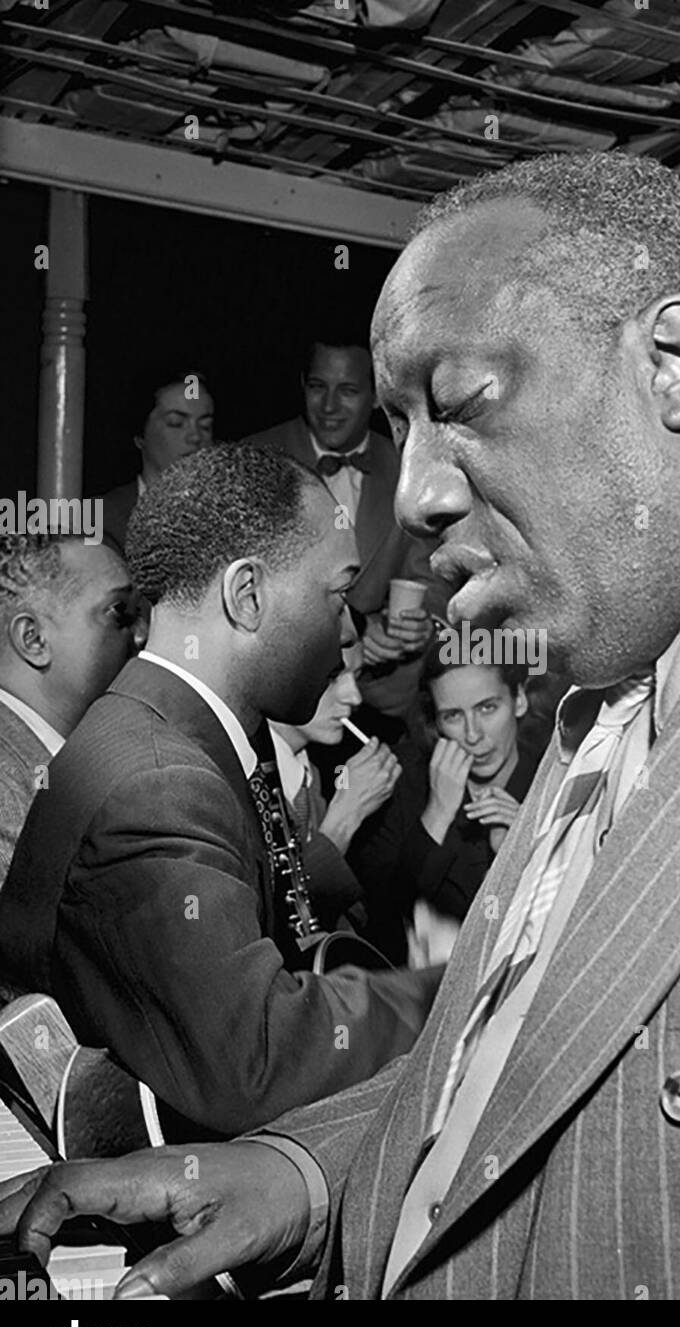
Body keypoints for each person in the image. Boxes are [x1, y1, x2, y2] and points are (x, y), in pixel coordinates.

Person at [7, 151, 680, 1303]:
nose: (414, 495)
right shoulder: (593, 708)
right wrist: (300, 1176)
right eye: (396, 425)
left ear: (670, 363)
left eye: (461, 404)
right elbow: (513, 1061)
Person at [0, 443, 440, 1139]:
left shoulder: (201, 729)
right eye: (339, 595)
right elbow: (256, 1062)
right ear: (247, 595)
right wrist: (457, 989)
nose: (352, 629)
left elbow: (295, 905)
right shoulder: (159, 781)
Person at [246, 339, 448, 733]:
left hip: (384, 704)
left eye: (348, 391)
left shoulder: (409, 469)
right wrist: (353, 625)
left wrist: (422, 626)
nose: (329, 406)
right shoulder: (259, 459)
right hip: (284, 705)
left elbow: (433, 576)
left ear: (376, 398)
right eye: (317, 387)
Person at [349, 635, 538, 966]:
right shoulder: (403, 778)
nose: (473, 734)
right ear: (436, 721)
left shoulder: (551, 781)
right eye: (453, 716)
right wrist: (437, 815)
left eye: (487, 708)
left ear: (519, 699)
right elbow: (380, 919)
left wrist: (529, 847)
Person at [0, 534, 140, 890]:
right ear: (33, 639)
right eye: (119, 612)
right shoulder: (8, 799)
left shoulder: (75, 763)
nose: (142, 635)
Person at [268, 612, 401, 936]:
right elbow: (272, 925)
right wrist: (346, 815)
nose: (354, 697)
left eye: (356, 676)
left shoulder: (310, 774)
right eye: (333, 677)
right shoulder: (239, 777)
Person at [100, 365, 215, 554]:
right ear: (140, 435)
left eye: (205, 426)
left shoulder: (229, 514)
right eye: (176, 424)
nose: (195, 437)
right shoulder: (103, 517)